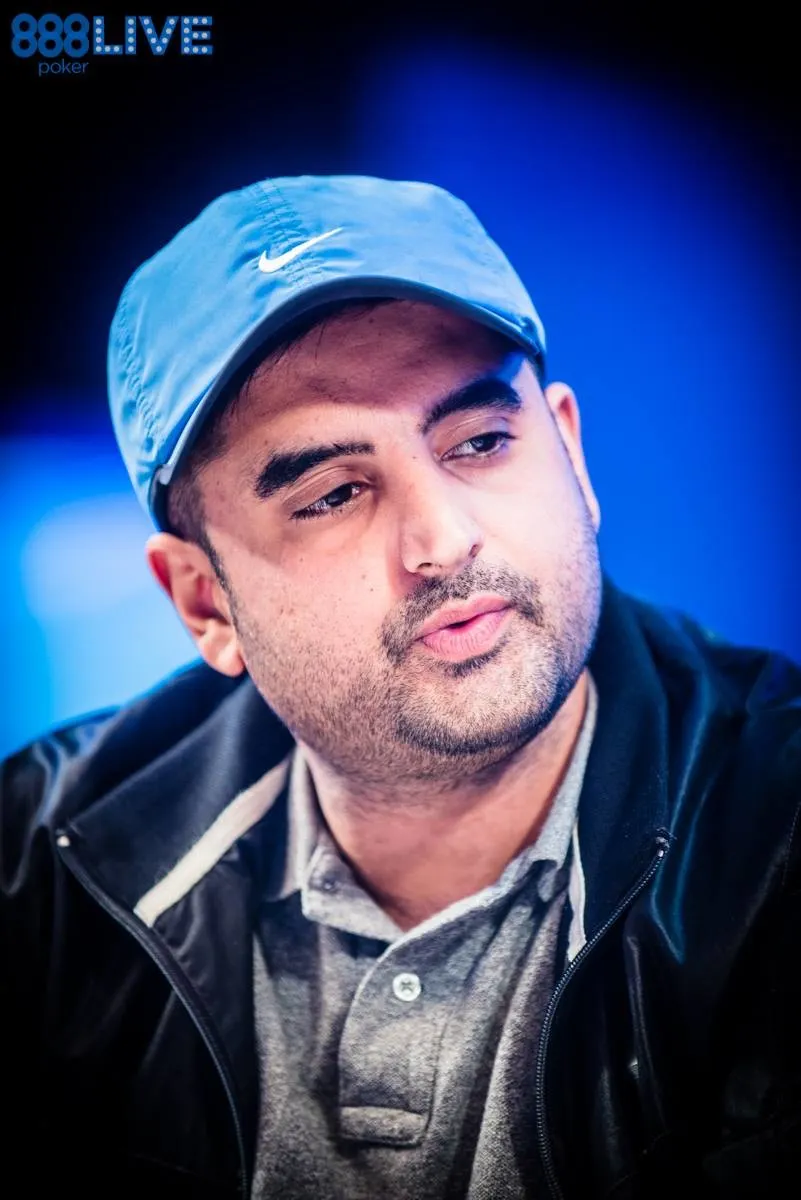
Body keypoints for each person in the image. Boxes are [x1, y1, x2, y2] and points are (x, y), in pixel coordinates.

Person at [1, 174, 799, 1200]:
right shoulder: (33, 875)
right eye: (335, 493)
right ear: (204, 602)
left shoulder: (778, 832)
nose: (444, 537)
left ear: (570, 451)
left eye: (481, 442)